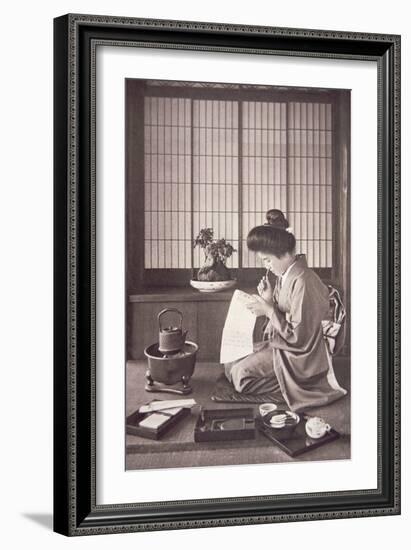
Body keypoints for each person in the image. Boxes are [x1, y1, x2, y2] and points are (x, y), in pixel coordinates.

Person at [224, 210, 347, 412]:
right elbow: (283, 312)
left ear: (287, 254)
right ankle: (282, 382)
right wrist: (268, 299)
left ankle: (294, 386)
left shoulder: (305, 281)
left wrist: (269, 310)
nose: (266, 266)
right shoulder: (285, 275)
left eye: (267, 260)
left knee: (240, 376)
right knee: (230, 361)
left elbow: (300, 336)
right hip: (284, 342)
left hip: (301, 353)